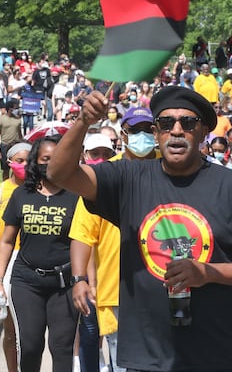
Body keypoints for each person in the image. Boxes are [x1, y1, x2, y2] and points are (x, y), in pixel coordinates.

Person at [47, 86, 232, 371]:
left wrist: (207, 273)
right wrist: (83, 121)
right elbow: (59, 173)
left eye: (187, 123)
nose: (175, 130)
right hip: (147, 356)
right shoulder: (128, 178)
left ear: (203, 131)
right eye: (164, 123)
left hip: (220, 353)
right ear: (157, 133)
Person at [0, 136, 80, 372]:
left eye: (55, 158)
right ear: (35, 162)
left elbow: (84, 242)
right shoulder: (21, 195)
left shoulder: (76, 196)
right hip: (27, 281)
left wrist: (84, 280)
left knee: (61, 346)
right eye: (45, 159)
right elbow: (7, 241)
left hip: (65, 283)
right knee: (30, 346)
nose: (50, 164)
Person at [69, 129, 149, 372]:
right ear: (124, 135)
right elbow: (84, 236)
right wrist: (81, 279)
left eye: (148, 128)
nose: (142, 135)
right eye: (135, 130)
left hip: (162, 290)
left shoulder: (166, 169)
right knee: (122, 362)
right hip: (116, 291)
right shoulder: (104, 180)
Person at [0, 142, 32, 372]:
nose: (25, 165)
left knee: (31, 330)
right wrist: (5, 246)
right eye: (19, 160)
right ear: (9, 163)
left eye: (29, 160)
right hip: (7, 265)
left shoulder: (40, 191)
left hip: (33, 264)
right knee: (10, 331)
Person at [0, 100, 24, 181]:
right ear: (10, 109)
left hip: (15, 146)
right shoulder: (0, 120)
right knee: (5, 169)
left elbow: (20, 133)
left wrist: (23, 143)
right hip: (5, 145)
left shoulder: (17, 120)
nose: (17, 110)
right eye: (15, 108)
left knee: (16, 168)